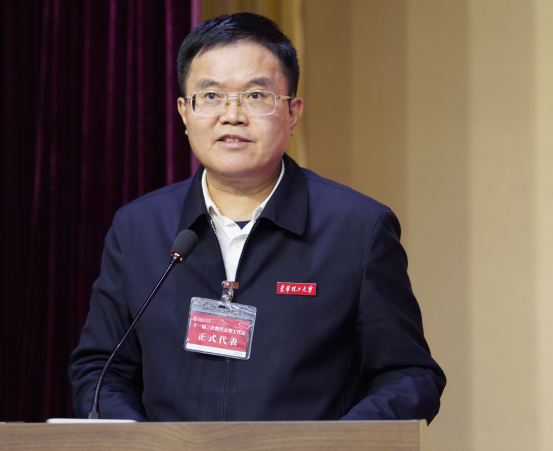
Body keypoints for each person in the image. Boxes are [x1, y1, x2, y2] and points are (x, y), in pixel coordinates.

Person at [69, 12, 446, 422]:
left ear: (293, 113)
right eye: (210, 96)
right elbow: (100, 371)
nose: (232, 115)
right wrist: (143, 445)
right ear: (184, 112)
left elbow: (408, 376)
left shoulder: (357, 228)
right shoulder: (138, 228)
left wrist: (334, 445)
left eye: (255, 95)